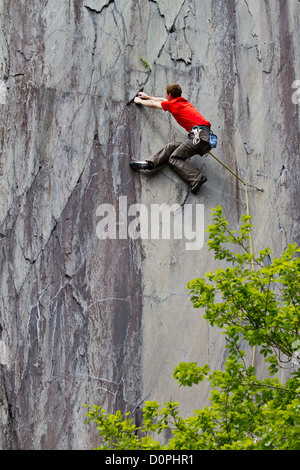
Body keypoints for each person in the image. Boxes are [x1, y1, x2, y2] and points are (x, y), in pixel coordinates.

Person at [130, 83, 212, 194]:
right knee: (171, 147)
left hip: (198, 137)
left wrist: (139, 101)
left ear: (170, 95)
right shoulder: (182, 102)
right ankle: (150, 163)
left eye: (166, 94)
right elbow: (162, 100)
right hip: (203, 137)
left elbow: (154, 104)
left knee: (174, 158)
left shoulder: (173, 104)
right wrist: (147, 96)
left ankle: (196, 179)